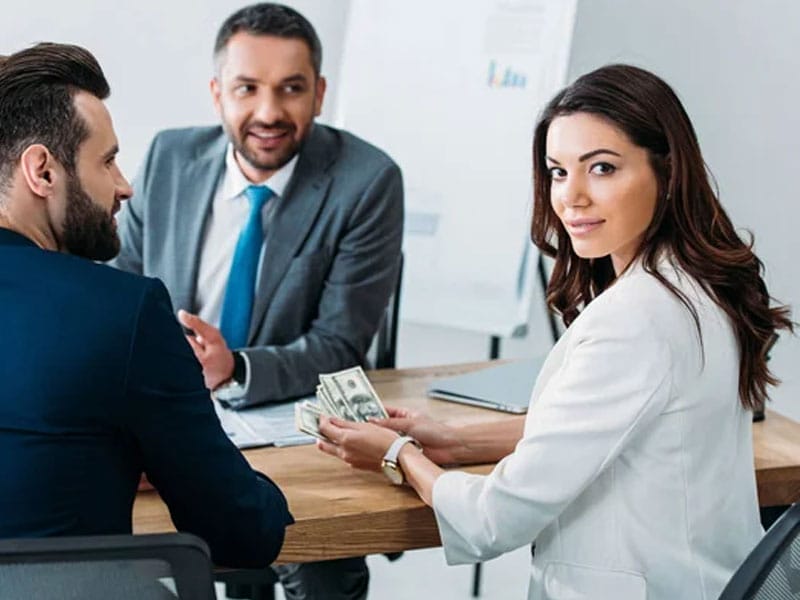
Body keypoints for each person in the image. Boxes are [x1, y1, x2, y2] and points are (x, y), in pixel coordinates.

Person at [317, 64, 793, 600]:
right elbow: (603, 430)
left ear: (668, 172)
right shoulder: (696, 286)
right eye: (558, 171)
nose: (572, 197)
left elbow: (495, 518)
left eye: (603, 168)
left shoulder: (635, 320)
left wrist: (399, 453)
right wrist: (451, 439)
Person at [111, 4, 402, 598]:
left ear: (319, 94)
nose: (269, 113)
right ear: (218, 92)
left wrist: (235, 367)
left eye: (291, 89)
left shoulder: (366, 181)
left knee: (320, 563)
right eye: (248, 88)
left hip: (298, 430)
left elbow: (340, 342)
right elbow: (122, 290)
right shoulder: (169, 158)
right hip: (177, 419)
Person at [0, 42, 292, 567]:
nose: (125, 186)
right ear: (42, 171)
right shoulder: (121, 313)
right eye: (107, 161)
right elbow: (242, 533)